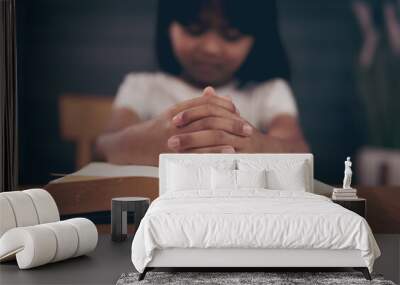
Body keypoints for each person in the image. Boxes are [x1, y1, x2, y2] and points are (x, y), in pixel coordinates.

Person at [95, 0, 309, 166]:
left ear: (258, 38)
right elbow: (103, 148)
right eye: (194, 29)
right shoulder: (141, 86)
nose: (211, 48)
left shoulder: (269, 91)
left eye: (231, 35)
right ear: (167, 26)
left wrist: (257, 145)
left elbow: (299, 151)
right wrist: (146, 143)